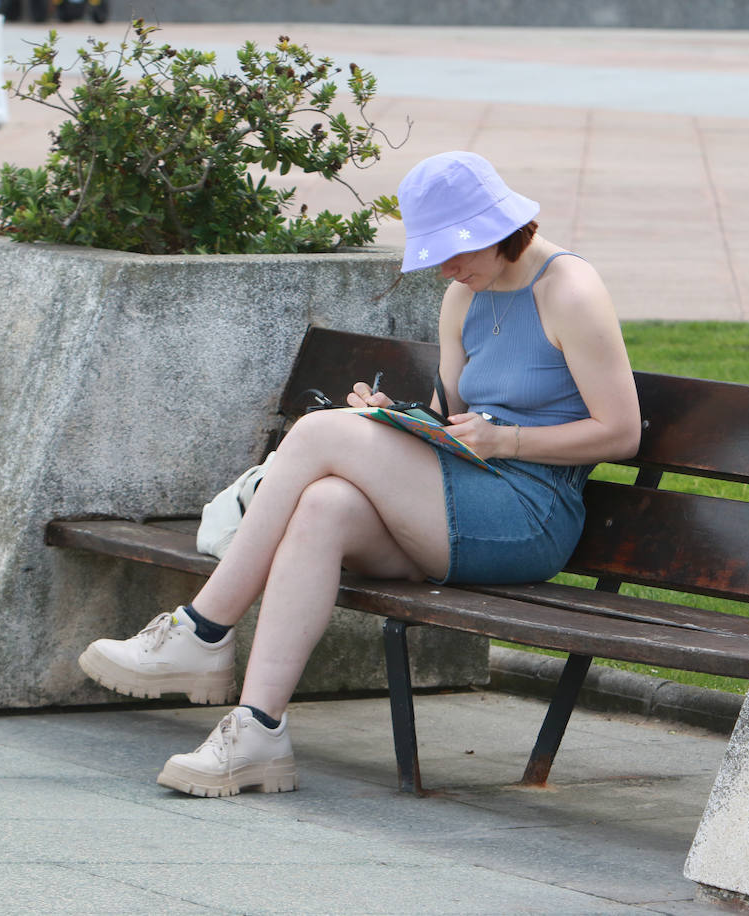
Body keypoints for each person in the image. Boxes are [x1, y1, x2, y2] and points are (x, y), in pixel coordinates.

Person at [78, 151, 642, 798]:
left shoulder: (569, 290)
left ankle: (202, 630)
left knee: (319, 432)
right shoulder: (464, 295)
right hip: (462, 496)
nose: (447, 268)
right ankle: (258, 732)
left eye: (457, 251)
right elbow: (448, 420)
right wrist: (394, 421)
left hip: (531, 513)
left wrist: (507, 438)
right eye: (438, 255)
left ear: (501, 229)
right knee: (325, 505)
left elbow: (621, 433)